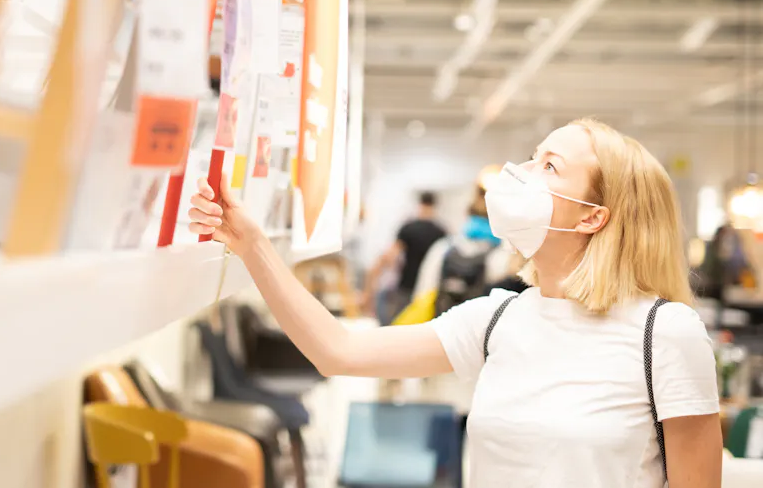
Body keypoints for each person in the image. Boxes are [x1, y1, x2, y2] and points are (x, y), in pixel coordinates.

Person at [188, 118, 721, 488]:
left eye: (549, 166)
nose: (521, 172)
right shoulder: (498, 318)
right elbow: (338, 352)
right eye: (533, 156)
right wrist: (252, 245)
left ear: (592, 217)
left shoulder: (664, 333)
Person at [414, 183, 520, 318]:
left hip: (441, 322)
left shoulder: (444, 247)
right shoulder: (503, 255)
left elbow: (422, 293)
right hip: (479, 325)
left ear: (468, 213)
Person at [364, 191, 446, 325]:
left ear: (420, 204)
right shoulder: (441, 231)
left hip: (406, 287)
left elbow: (391, 256)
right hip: (428, 291)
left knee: (399, 325)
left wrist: (373, 277)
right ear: (434, 205)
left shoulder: (409, 228)